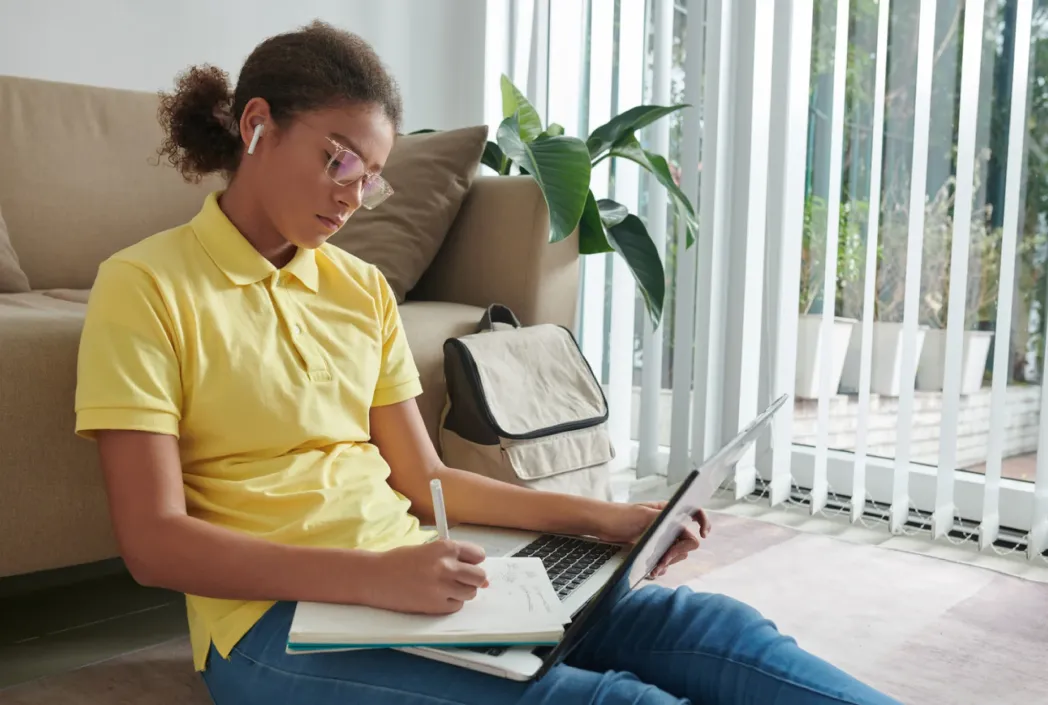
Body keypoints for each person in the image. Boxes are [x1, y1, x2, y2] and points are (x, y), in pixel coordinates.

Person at [74, 20, 900, 705]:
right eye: (339, 159)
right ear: (257, 124)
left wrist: (612, 523)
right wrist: (375, 579)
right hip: (269, 628)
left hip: (417, 584)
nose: (351, 196)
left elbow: (425, 481)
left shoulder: (359, 290)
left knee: (710, 631)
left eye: (372, 179)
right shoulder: (144, 286)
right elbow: (155, 543)